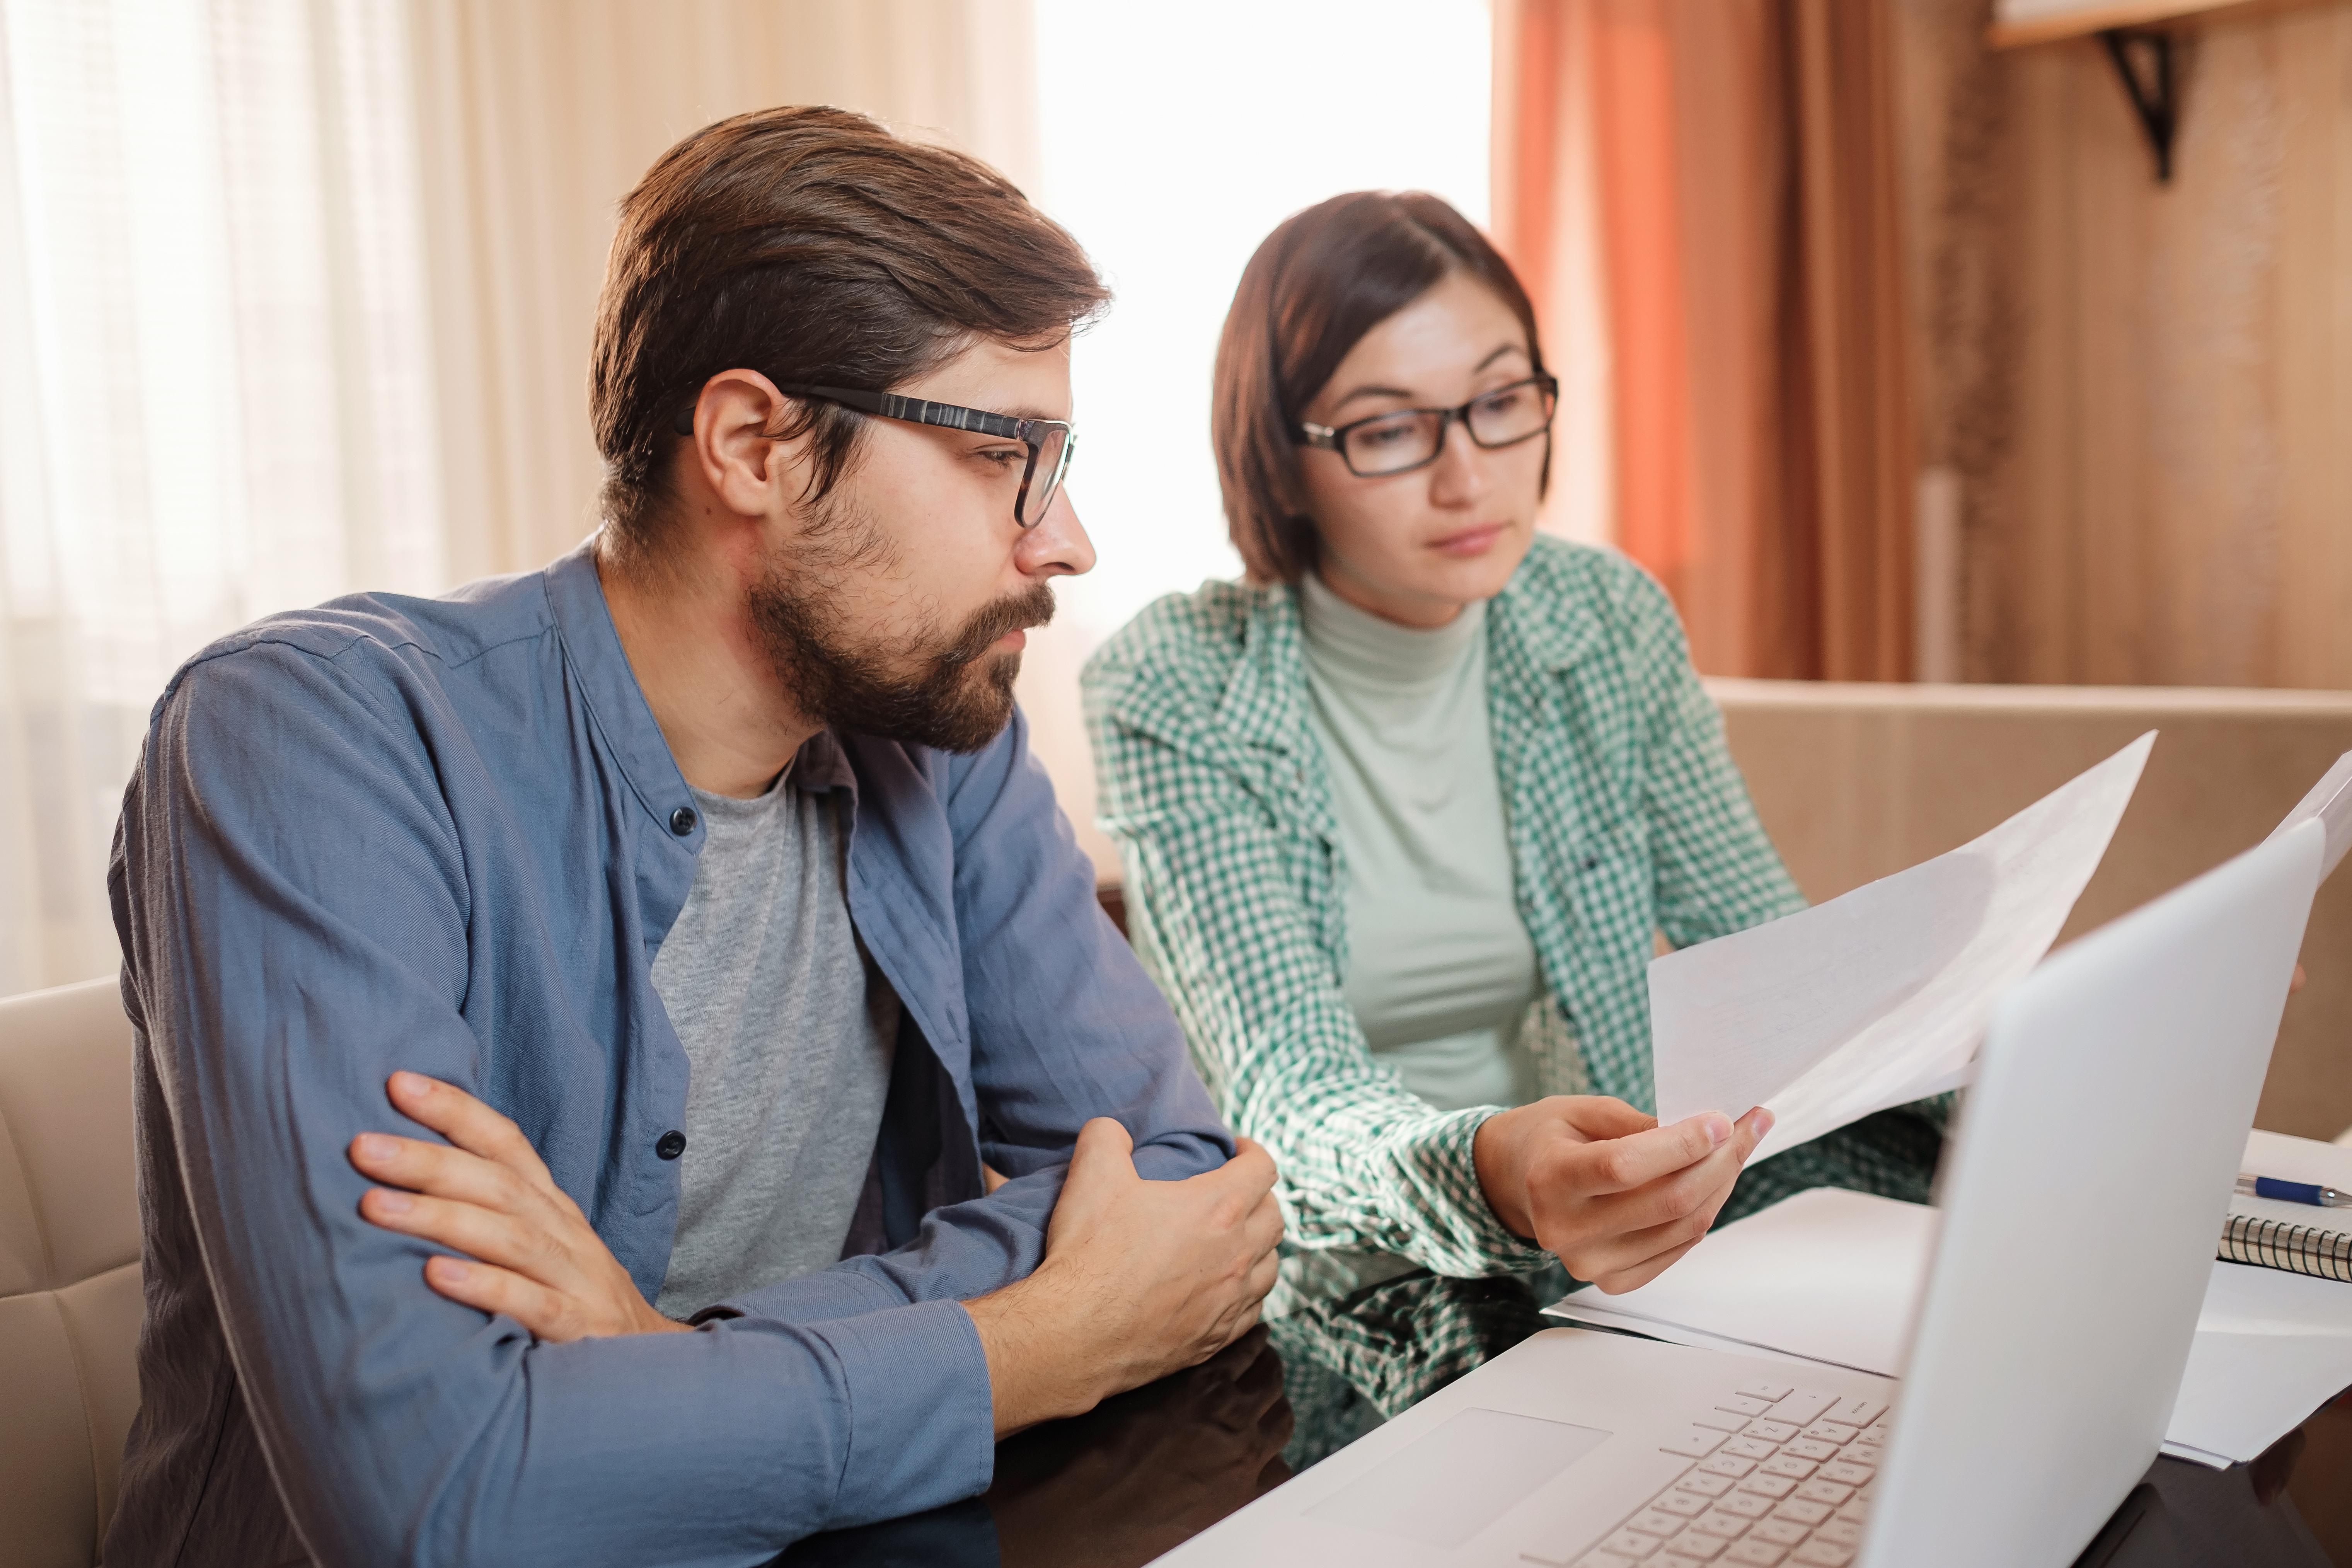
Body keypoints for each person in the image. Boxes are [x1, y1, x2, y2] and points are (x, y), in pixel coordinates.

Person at [105, 106, 1281, 1568]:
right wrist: (1028, 1343)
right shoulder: (307, 741)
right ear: (752, 445)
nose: (1065, 540)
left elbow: (1180, 1188)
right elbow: (444, 1501)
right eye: (1005, 458)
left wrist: (667, 1351)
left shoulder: (932, 730)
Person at [1081, 191, 1940, 1311]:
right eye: (1388, 429)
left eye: (1499, 401)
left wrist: (1989, 1048)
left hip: (1616, 1250)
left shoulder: (1603, 618)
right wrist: (1497, 1171)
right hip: (1345, 1290)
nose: (1468, 476)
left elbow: (1767, 952)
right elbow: (1284, 1093)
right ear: (1279, 457)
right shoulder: (1174, 681)